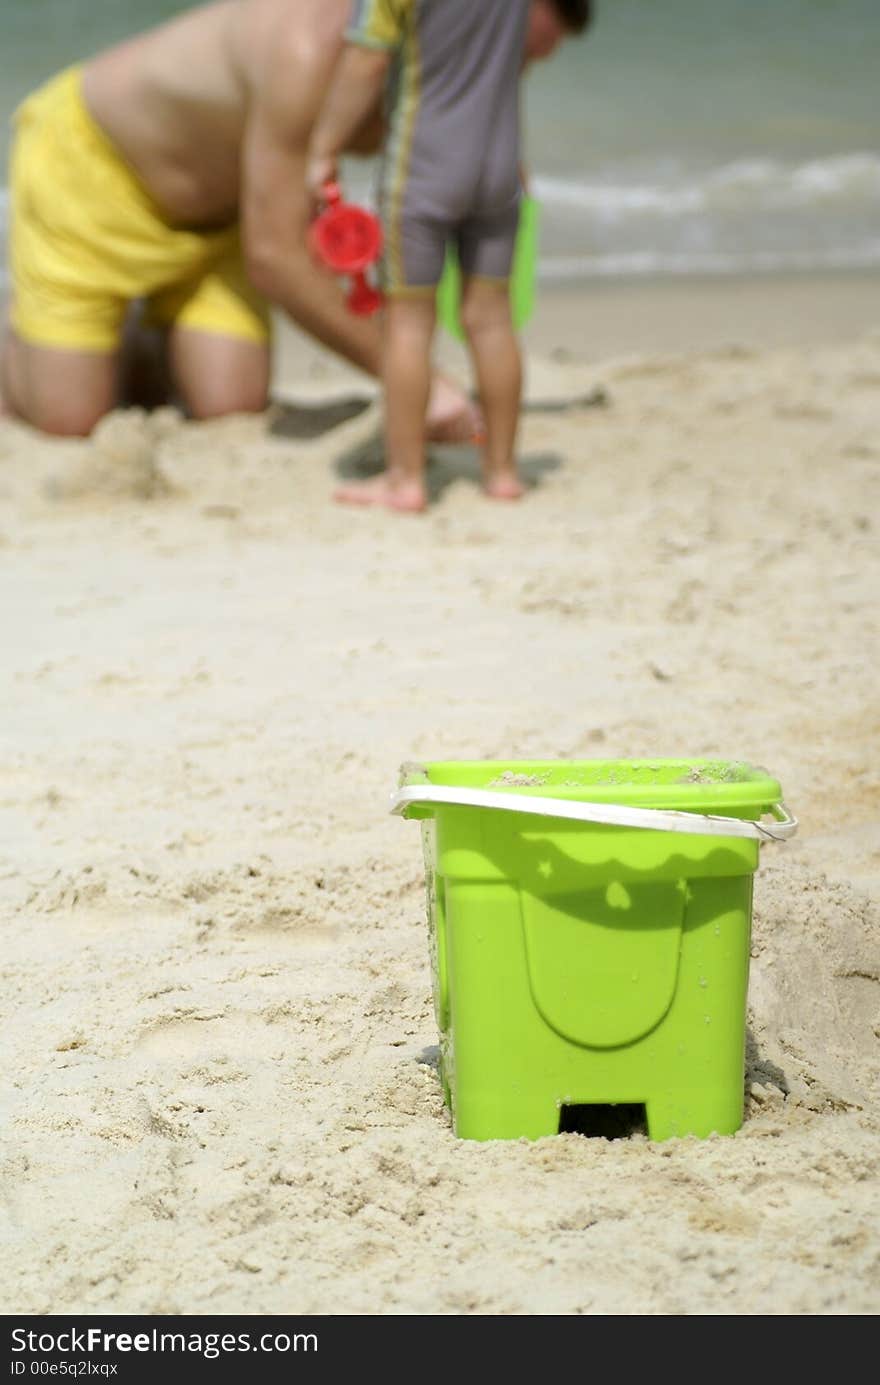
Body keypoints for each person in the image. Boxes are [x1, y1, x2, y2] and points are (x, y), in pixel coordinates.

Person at [0, 0, 587, 441]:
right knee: (68, 423)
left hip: (227, 214)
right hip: (95, 177)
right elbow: (276, 258)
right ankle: (26, 341)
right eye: (518, 56)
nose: (508, 77)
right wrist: (416, 383)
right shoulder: (310, 43)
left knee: (231, 407)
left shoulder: (426, 55)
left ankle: (138, 333)